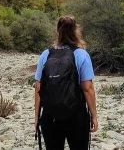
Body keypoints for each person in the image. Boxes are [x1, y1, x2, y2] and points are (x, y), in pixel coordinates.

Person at [34, 15, 98, 149]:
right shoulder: (81, 55)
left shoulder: (46, 54)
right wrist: (93, 116)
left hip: (50, 115)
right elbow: (87, 88)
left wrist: (37, 118)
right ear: (76, 31)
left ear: (57, 31)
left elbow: (38, 87)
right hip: (76, 114)